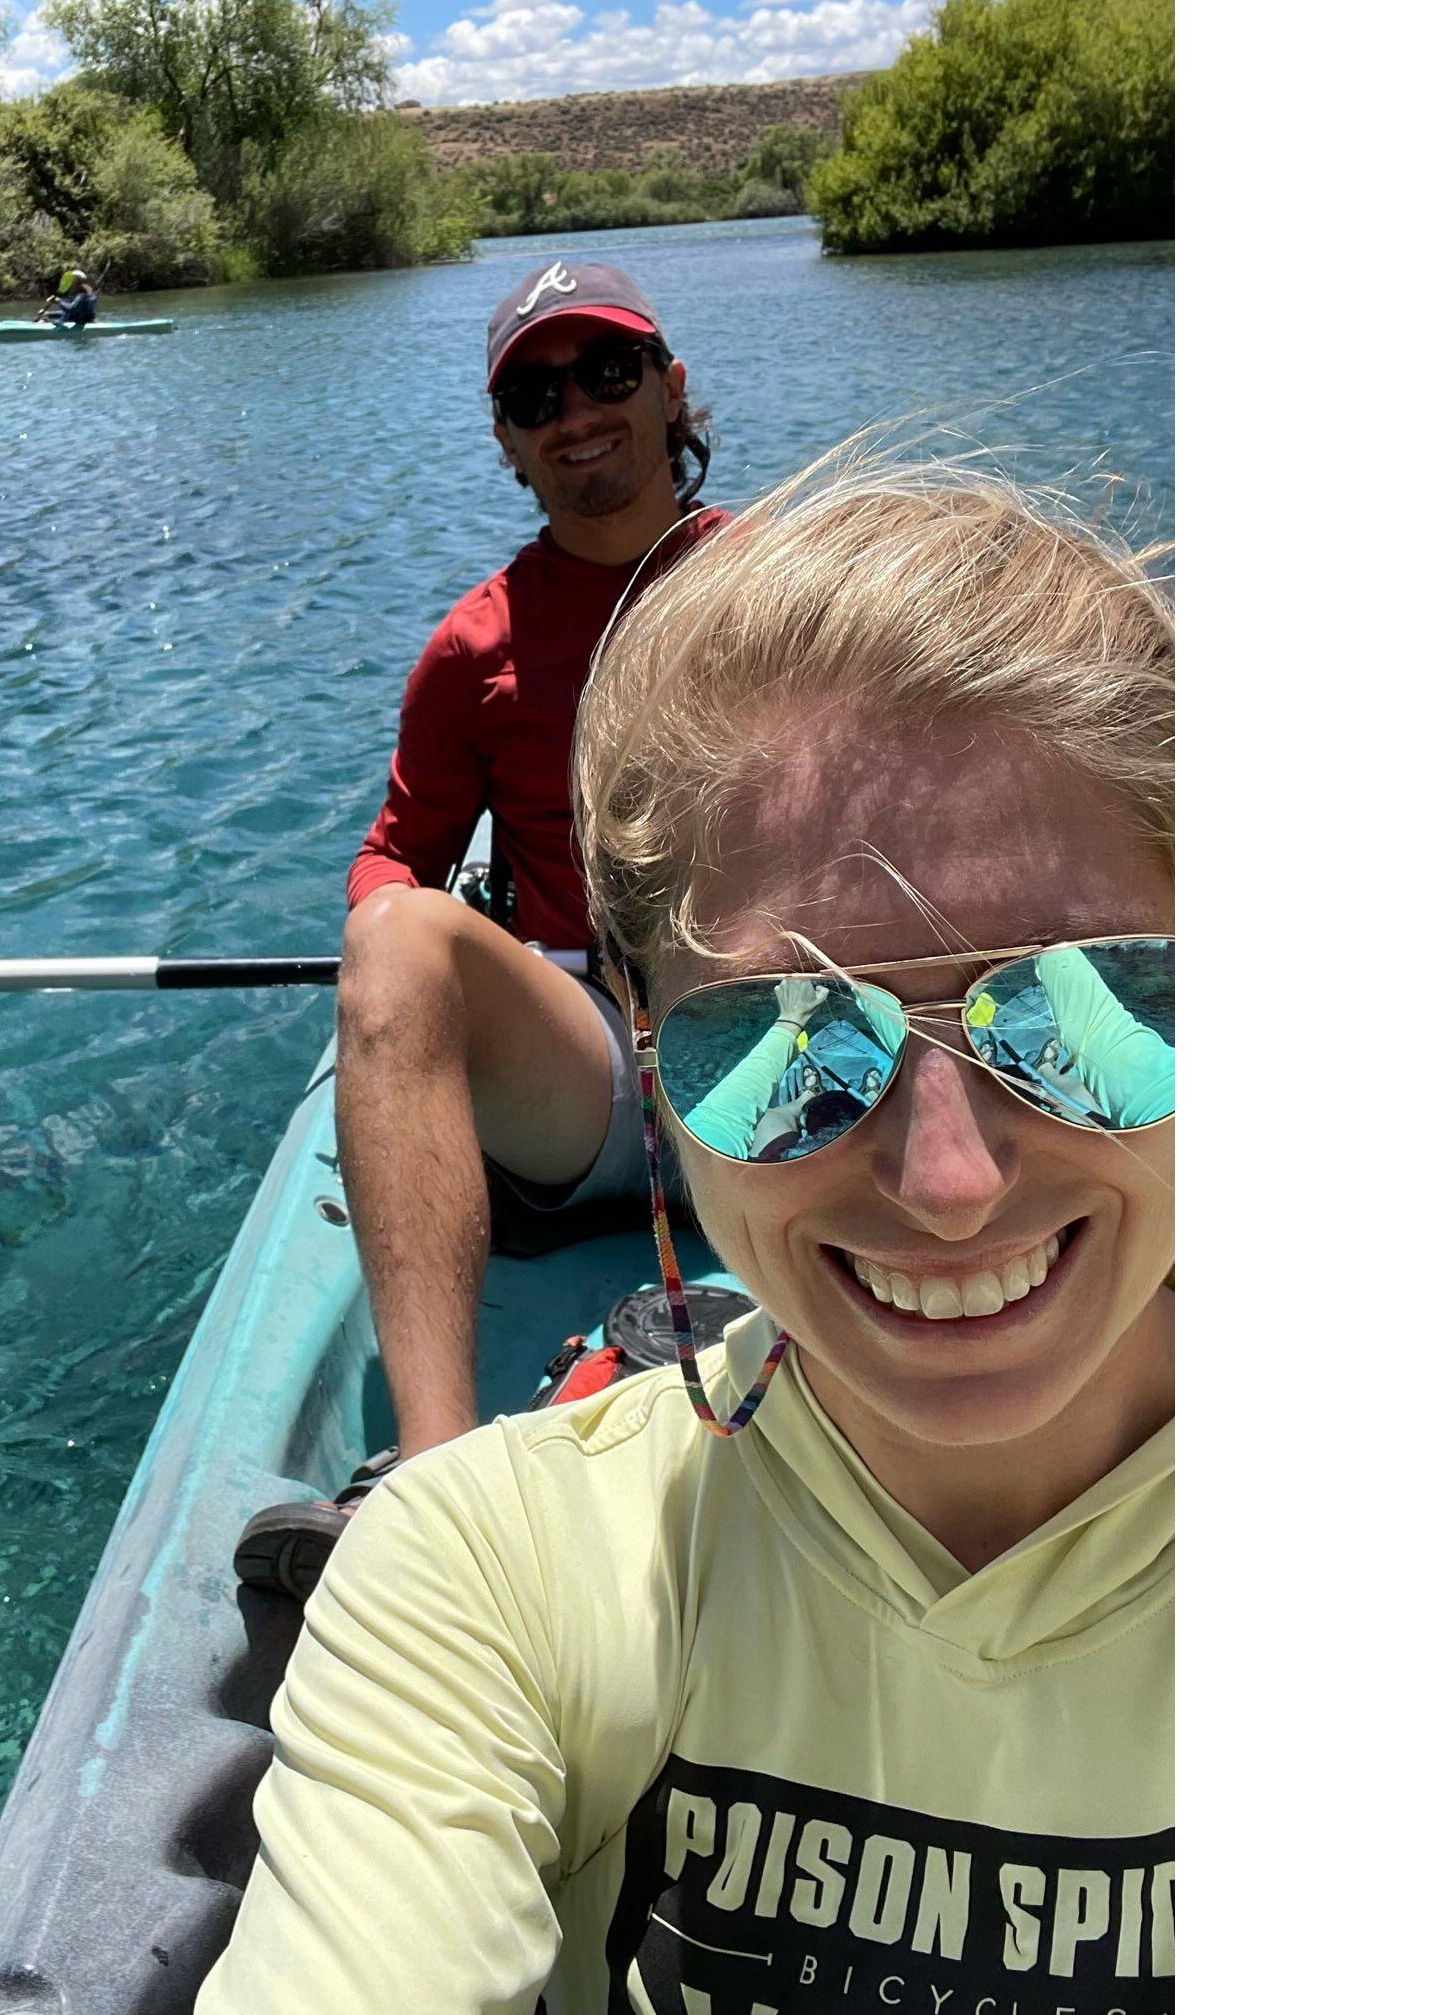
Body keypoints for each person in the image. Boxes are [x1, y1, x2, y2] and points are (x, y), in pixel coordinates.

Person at [199, 454, 1176, 2010]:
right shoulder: (487, 1581)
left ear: (668, 400)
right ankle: (425, 1453)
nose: (951, 1181)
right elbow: (396, 859)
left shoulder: (749, 575)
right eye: (789, 1026)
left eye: (1081, 1001)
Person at [234, 260, 720, 1598]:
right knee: (398, 936)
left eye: (607, 372)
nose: (577, 412)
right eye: (535, 395)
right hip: (597, 1074)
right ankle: (436, 1488)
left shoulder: (790, 585)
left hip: (794, 1054)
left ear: (671, 389)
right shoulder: (475, 649)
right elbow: (394, 857)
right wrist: (399, 971)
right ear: (507, 440)